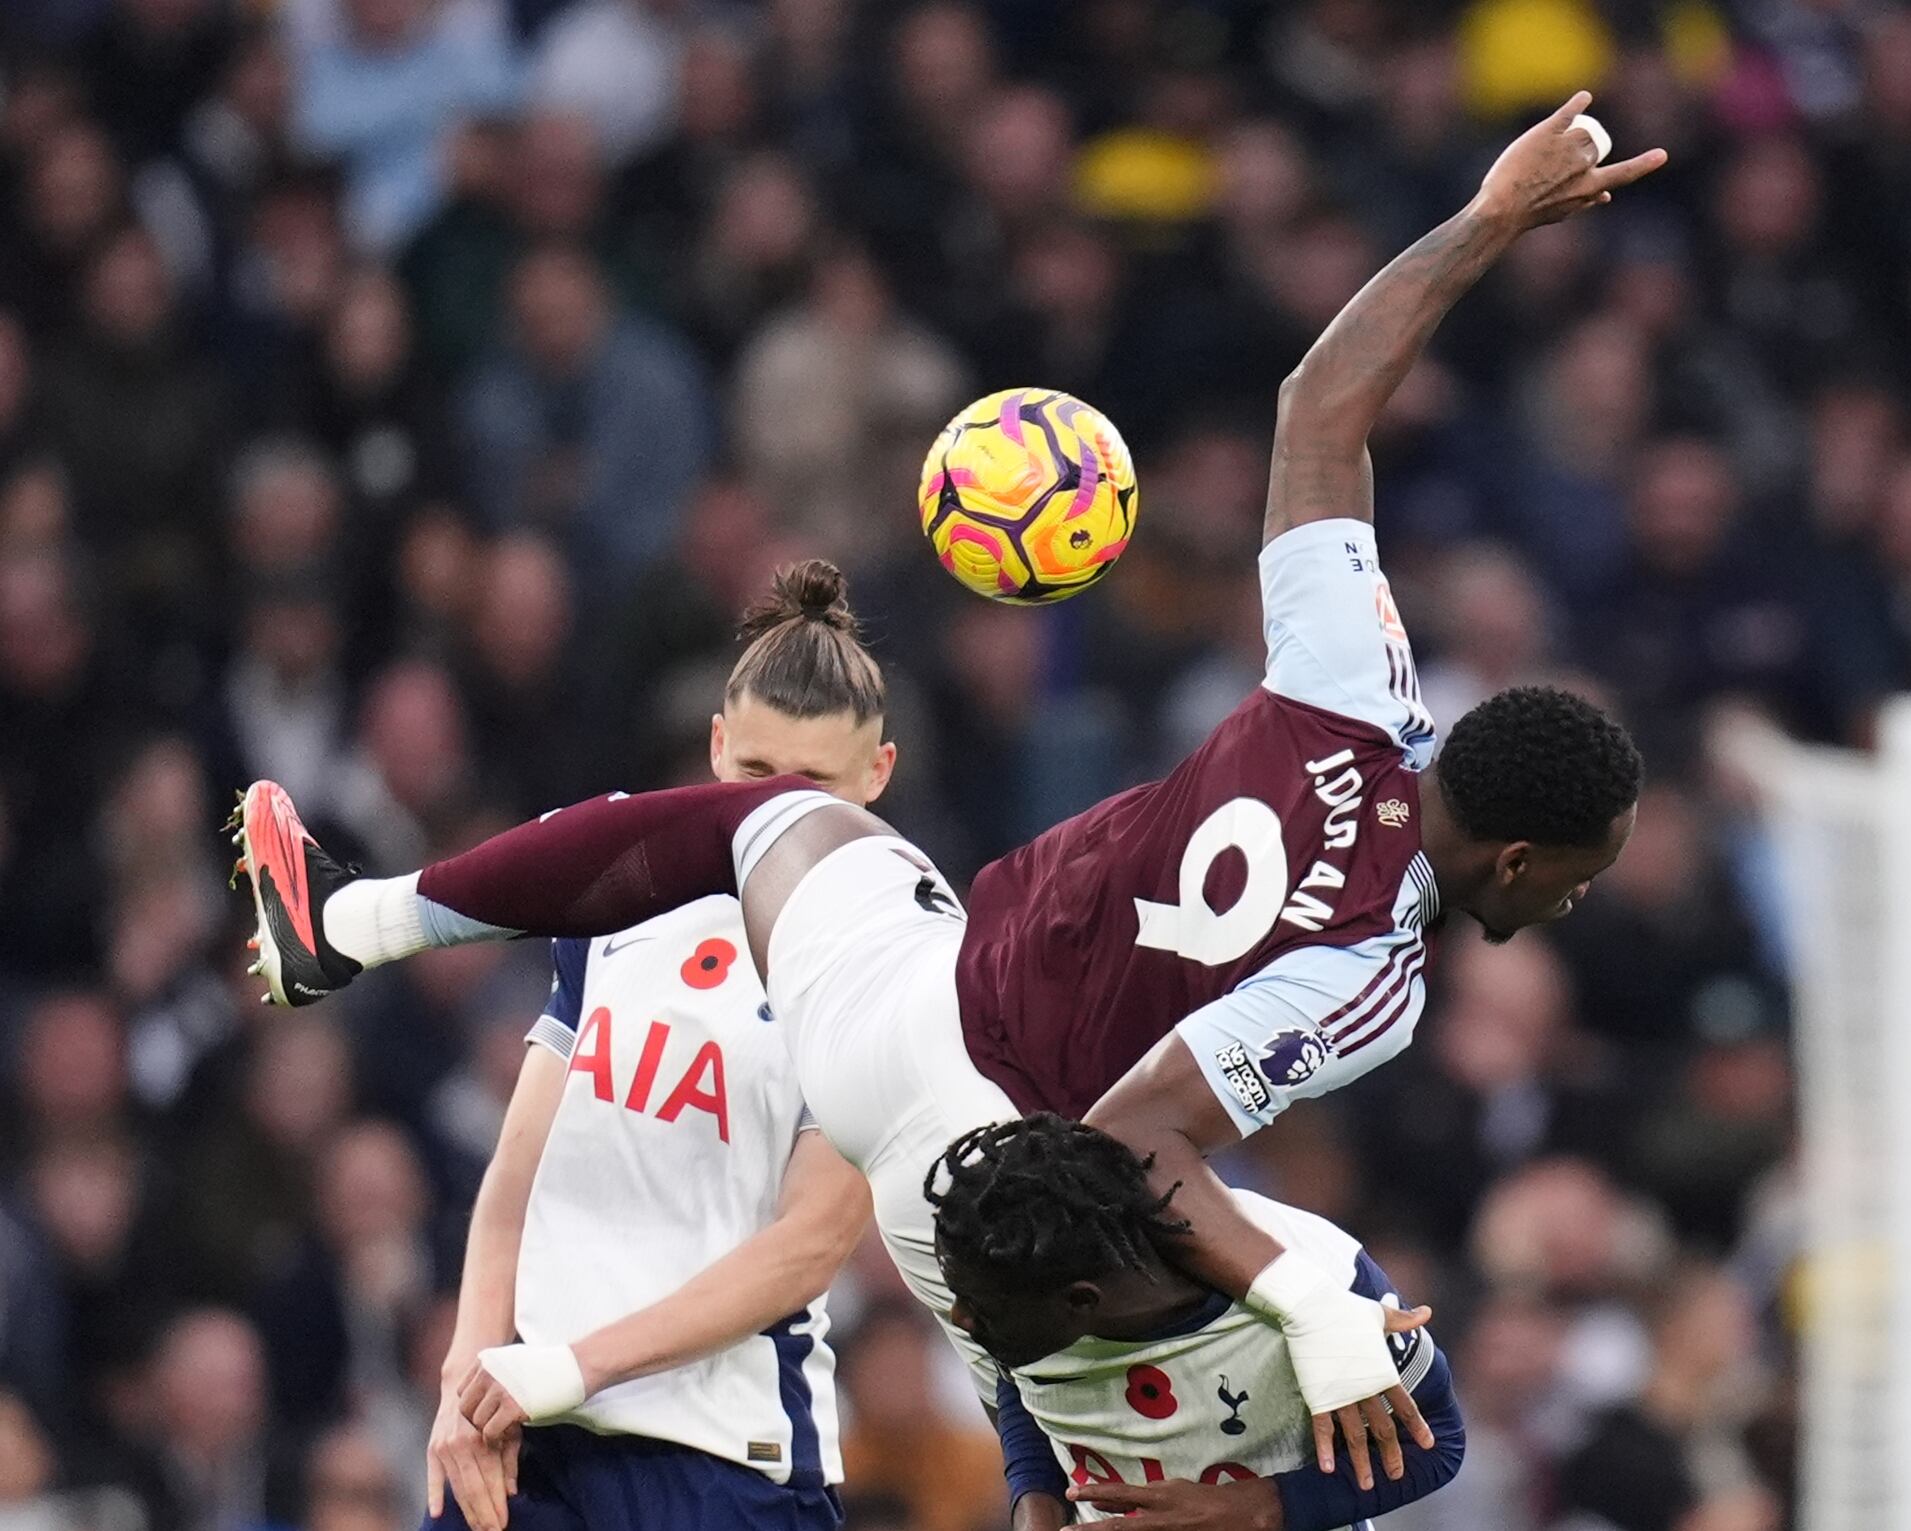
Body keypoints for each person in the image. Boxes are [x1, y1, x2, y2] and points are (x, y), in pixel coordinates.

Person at [230, 93, 1660, 1478]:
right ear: (1521, 853)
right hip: (975, 1171)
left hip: (893, 1007)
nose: (1583, 892)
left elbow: (1318, 408)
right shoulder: (1371, 973)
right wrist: (1313, 1307)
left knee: (770, 817)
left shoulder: (1356, 690)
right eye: (1583, 868)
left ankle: (355, 925)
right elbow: (1136, 1138)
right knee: (1360, 1363)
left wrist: (1483, 219)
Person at [419, 561, 886, 1531]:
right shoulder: (615, 895)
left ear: (877, 774)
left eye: (816, 785)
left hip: (722, 1463)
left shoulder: (889, 969)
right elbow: (517, 1175)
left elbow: (805, 1247)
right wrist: (469, 1361)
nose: (776, 813)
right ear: (716, 750)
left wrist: (578, 1365)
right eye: (755, 775)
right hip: (532, 1438)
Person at [927, 1115, 1466, 1531]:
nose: (961, 1317)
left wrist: (1256, 1509)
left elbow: (1436, 1442)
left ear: (1081, 1300)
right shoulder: (1028, 1310)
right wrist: (1035, 1505)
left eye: (981, 1305)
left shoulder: (1318, 1279)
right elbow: (1026, 1390)